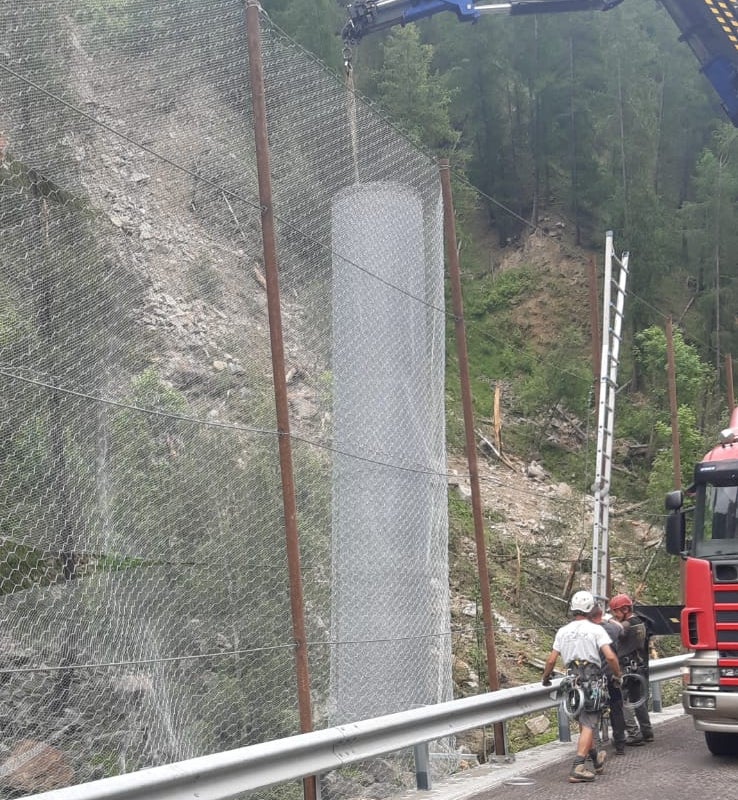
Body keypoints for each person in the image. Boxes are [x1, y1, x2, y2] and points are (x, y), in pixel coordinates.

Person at [541, 590, 623, 783]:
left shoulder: (563, 631)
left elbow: (552, 659)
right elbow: (610, 656)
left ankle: (596, 759)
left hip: (572, 681)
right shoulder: (596, 630)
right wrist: (617, 675)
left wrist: (545, 678)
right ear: (591, 608)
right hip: (592, 679)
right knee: (588, 722)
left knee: (583, 721)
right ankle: (578, 766)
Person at [608, 593, 654, 745]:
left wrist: (606, 621)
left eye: (616, 611)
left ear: (625, 609)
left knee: (622, 701)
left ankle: (633, 734)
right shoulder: (640, 622)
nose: (614, 615)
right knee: (638, 701)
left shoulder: (628, 625)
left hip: (626, 668)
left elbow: (617, 630)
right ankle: (647, 732)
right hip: (638, 667)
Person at [591, 604, 627, 755]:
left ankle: (594, 747)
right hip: (612, 673)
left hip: (594, 675)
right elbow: (622, 631)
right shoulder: (614, 628)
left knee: (592, 710)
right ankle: (620, 744)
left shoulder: (589, 631)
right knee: (617, 708)